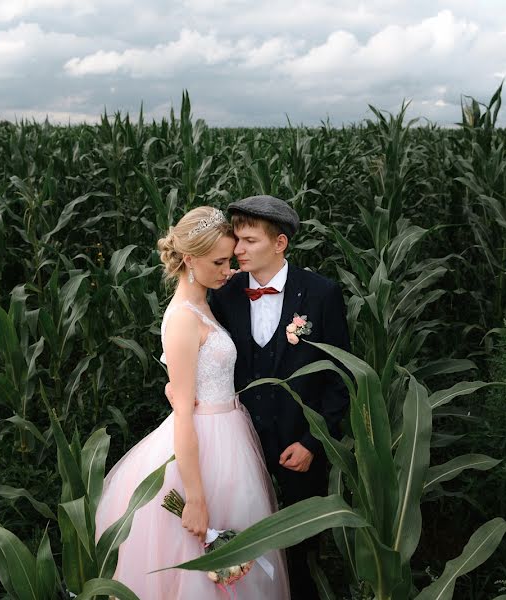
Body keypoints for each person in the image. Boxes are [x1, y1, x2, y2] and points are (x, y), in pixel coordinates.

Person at [93, 206, 290, 600]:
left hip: (231, 434)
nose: (227, 270)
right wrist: (196, 499)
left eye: (229, 260)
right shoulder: (183, 317)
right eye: (218, 262)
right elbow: (183, 409)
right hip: (202, 442)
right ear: (189, 258)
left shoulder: (205, 304)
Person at [168, 196, 351, 600]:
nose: (237, 250)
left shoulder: (321, 295)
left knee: (302, 556)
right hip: (237, 450)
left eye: (249, 241)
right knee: (244, 548)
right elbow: (198, 355)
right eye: (236, 240)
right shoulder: (226, 292)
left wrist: (312, 442)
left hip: (299, 451)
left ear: (280, 243)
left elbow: (340, 379)